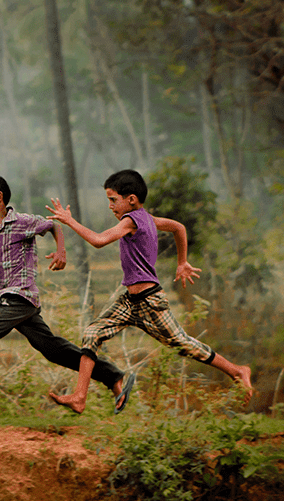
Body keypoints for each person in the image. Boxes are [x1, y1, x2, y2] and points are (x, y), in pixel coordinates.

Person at [45, 169, 253, 414]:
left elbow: (99, 240)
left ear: (131, 200)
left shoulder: (132, 220)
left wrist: (69, 221)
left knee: (183, 344)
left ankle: (237, 371)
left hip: (150, 301)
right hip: (129, 300)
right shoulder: (148, 219)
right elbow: (178, 227)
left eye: (113, 200)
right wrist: (182, 261)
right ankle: (79, 397)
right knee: (92, 333)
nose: (111, 206)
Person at [0, 175, 134, 421]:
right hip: (8, 300)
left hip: (21, 297)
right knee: (53, 350)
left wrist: (61, 251)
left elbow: (52, 225)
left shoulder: (23, 222)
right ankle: (114, 377)